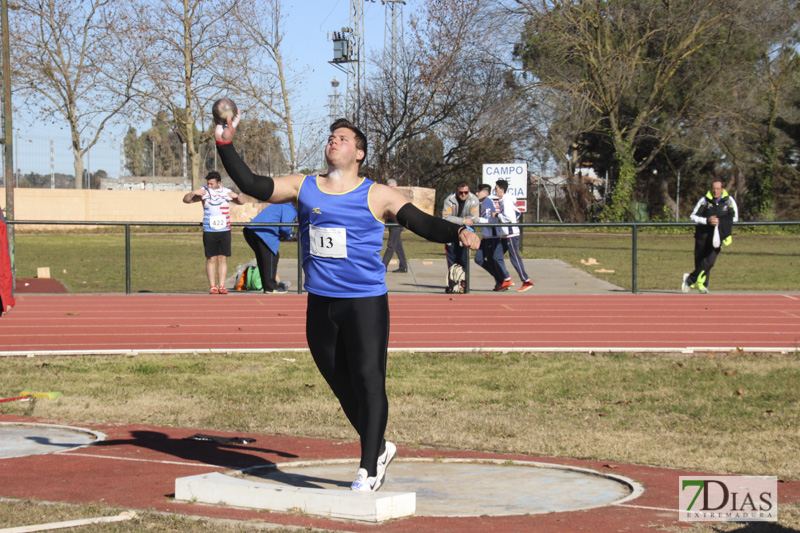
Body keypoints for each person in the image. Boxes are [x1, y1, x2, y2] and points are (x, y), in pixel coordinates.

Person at [215, 113, 480, 492]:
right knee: (342, 386)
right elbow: (252, 184)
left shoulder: (378, 194)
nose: (333, 141)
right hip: (321, 304)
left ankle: (368, 468)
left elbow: (422, 223)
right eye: (331, 137)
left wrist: (459, 231)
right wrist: (226, 145)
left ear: (360, 153)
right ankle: (381, 446)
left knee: (369, 381)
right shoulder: (304, 186)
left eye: (342, 138)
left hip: (364, 303)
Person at [183, 171, 245, 294]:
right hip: (209, 229)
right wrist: (193, 193)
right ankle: (212, 286)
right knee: (211, 258)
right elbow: (186, 200)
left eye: (211, 184)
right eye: (208, 183)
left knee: (222, 258)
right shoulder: (204, 192)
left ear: (219, 183)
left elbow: (242, 202)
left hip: (224, 229)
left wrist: (237, 195)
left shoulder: (226, 192)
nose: (209, 186)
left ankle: (221, 286)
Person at [681, 179, 738, 294]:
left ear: (722, 189)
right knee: (700, 261)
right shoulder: (705, 200)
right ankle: (702, 286)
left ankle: (690, 279)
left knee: (710, 261)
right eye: (714, 188)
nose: (715, 191)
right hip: (702, 235)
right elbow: (693, 216)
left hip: (717, 237)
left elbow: (735, 218)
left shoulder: (729, 201)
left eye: (718, 188)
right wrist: (707, 220)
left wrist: (719, 221)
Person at [243, 202, 297, 293]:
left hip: (251, 230)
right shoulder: (291, 208)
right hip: (263, 232)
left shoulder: (281, 204)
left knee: (264, 258)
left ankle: (267, 286)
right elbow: (285, 227)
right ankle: (271, 287)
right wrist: (289, 236)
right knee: (271, 257)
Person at [494, 179, 534, 292]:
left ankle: (526, 281)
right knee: (496, 256)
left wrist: (498, 215)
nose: (494, 191)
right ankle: (507, 279)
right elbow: (517, 212)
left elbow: (510, 218)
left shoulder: (506, 201)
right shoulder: (505, 200)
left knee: (514, 258)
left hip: (511, 234)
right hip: (506, 234)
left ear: (502, 190)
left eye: (496, 188)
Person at [474, 184, 512, 291]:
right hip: (486, 237)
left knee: (491, 260)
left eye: (478, 191)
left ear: (485, 193)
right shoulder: (483, 202)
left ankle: (502, 280)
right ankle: (500, 278)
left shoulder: (488, 202)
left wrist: (479, 220)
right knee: (478, 259)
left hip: (492, 237)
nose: (476, 193)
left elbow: (493, 220)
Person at [441, 181, 479, 270]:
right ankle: (452, 282)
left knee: (464, 259)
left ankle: (464, 282)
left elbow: (474, 218)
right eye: (461, 192)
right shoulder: (449, 200)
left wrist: (463, 222)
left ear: (469, 191)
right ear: (457, 191)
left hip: (467, 233)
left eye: (466, 192)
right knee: (452, 261)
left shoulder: (474, 200)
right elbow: (445, 217)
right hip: (451, 233)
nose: (463, 195)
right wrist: (463, 221)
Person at [381, 179, 408, 273]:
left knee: (391, 246)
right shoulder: (388, 197)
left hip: (397, 224)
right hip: (392, 224)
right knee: (398, 246)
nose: (390, 189)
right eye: (389, 187)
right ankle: (403, 266)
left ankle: (383, 267)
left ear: (396, 187)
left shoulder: (398, 197)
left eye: (392, 187)